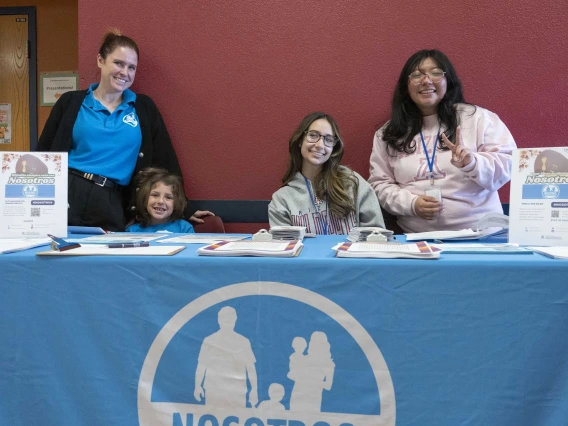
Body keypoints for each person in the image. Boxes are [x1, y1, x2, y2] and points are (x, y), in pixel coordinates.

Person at [36, 29, 212, 231]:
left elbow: (166, 159)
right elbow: (43, 154)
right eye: (118, 63)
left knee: (104, 260)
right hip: (66, 192)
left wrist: (184, 208)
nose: (125, 72)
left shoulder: (143, 108)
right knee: (57, 255)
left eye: (131, 67)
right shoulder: (71, 102)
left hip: (112, 199)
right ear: (100, 60)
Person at [369, 49, 516, 233]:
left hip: (482, 236)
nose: (426, 80)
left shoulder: (478, 118)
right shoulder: (388, 133)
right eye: (416, 75)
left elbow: (509, 164)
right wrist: (412, 204)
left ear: (449, 81)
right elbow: (379, 184)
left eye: (436, 73)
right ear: (406, 87)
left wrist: (471, 163)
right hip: (417, 239)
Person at [269, 112, 385, 235]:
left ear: (333, 148)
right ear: (299, 141)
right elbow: (284, 247)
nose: (320, 145)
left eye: (328, 139)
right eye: (313, 135)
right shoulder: (282, 199)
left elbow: (377, 236)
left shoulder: (353, 183)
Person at [194, 306, 258, 408]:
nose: (228, 322)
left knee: (238, 421)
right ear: (219, 320)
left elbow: (250, 368)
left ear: (235, 320)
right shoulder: (209, 341)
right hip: (214, 391)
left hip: (237, 392)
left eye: (230, 319)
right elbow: (202, 365)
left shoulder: (243, 342)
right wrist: (197, 386)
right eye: (225, 319)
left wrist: (254, 390)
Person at [125, 167, 194, 233]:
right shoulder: (133, 231)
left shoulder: (184, 228)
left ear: (176, 203)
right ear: (144, 199)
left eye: (168, 197)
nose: (161, 201)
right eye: (155, 195)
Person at [288, 331, 335, 412]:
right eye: (313, 342)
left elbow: (328, 385)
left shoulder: (329, 364)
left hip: (313, 398)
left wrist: (310, 380)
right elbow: (291, 374)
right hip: (298, 396)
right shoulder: (303, 358)